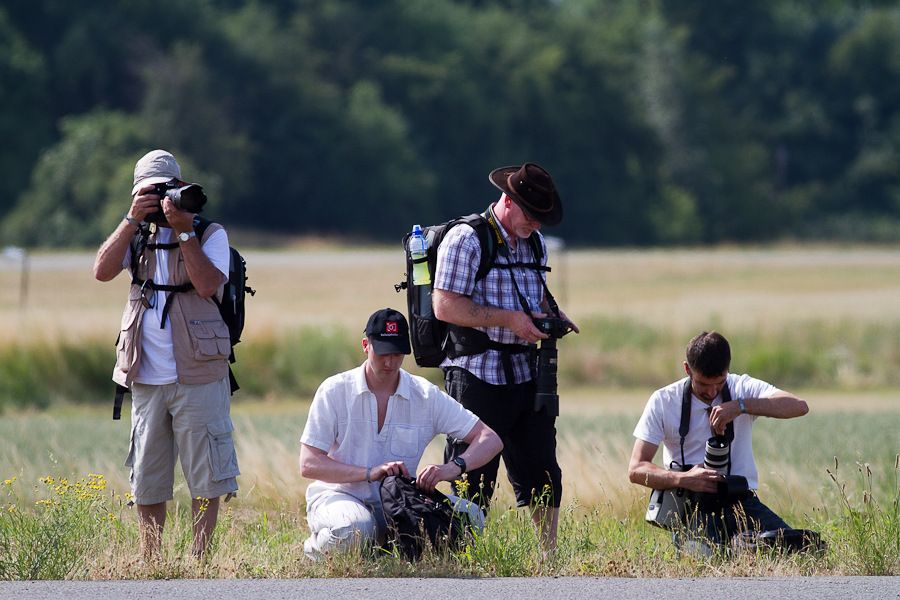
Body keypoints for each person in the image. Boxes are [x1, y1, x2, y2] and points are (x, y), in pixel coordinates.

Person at [93, 149, 238, 557]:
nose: (158, 201)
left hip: (199, 372)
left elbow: (208, 285)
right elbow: (102, 271)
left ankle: (200, 557)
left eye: (163, 192)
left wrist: (184, 230)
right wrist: (130, 219)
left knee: (206, 472)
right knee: (148, 474)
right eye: (148, 194)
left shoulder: (209, 232)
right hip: (146, 373)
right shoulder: (137, 233)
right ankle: (150, 556)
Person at [432, 163, 579, 551]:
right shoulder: (467, 239)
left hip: (525, 373)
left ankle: (547, 559)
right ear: (508, 201)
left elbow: (535, 294)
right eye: (532, 215)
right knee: (471, 473)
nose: (537, 224)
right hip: (476, 373)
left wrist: (552, 315)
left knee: (542, 469)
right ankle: (460, 555)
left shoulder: (534, 242)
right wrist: (509, 320)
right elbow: (444, 306)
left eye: (542, 218)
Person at [299, 308, 503, 559]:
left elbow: (490, 439)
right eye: (383, 352)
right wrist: (368, 473)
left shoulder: (425, 394)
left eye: (397, 353)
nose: (390, 362)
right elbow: (309, 464)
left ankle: (385, 548)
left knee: (473, 518)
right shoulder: (334, 390)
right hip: (339, 495)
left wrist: (451, 468)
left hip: (397, 501)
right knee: (356, 528)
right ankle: (316, 549)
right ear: (366, 345)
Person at [628, 331, 809, 554]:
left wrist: (739, 406)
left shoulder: (740, 387)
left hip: (741, 502)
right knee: (706, 556)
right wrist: (684, 479)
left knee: (800, 548)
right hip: (692, 509)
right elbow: (636, 469)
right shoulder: (664, 400)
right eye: (703, 384)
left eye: (720, 383)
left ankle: (743, 545)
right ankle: (739, 547)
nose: (712, 391)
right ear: (687, 369)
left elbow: (799, 406)